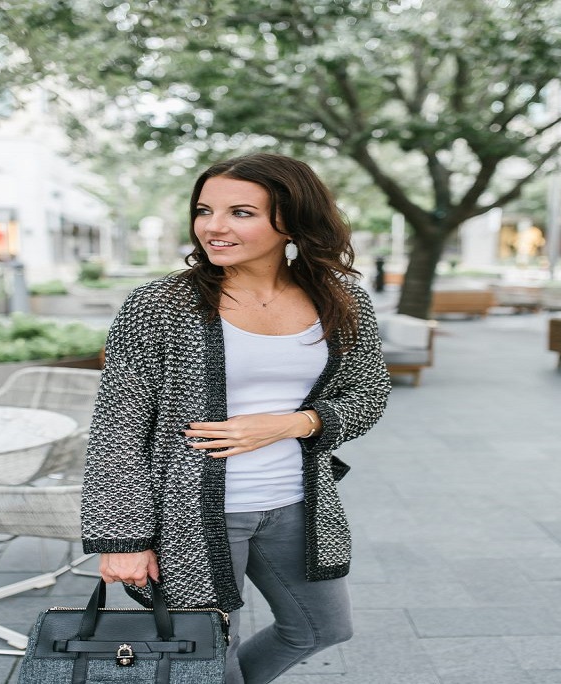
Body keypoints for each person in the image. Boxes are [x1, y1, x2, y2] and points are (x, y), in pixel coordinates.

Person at [81, 152, 391, 683]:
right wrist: (122, 538)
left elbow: (369, 392)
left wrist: (294, 423)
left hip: (296, 504)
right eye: (205, 210)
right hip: (189, 514)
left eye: (241, 212)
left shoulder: (340, 300)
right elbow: (118, 426)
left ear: (291, 221)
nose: (214, 227)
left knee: (321, 628)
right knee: (203, 655)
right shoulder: (159, 304)